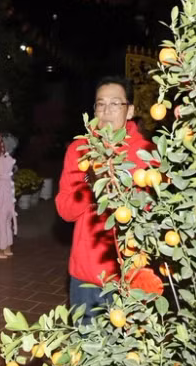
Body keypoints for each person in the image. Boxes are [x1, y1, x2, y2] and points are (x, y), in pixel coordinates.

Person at [55, 76, 154, 323]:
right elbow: (65, 210)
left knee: (129, 356)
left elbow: (156, 213)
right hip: (86, 275)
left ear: (130, 110)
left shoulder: (147, 154)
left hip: (130, 275)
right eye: (101, 104)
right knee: (86, 351)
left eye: (115, 104)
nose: (107, 111)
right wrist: (91, 185)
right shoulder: (79, 151)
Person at [0, 153, 18, 259]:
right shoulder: (9, 181)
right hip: (9, 210)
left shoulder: (1, 182)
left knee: (0, 229)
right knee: (7, 228)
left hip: (0, 211)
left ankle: (1, 250)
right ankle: (8, 248)